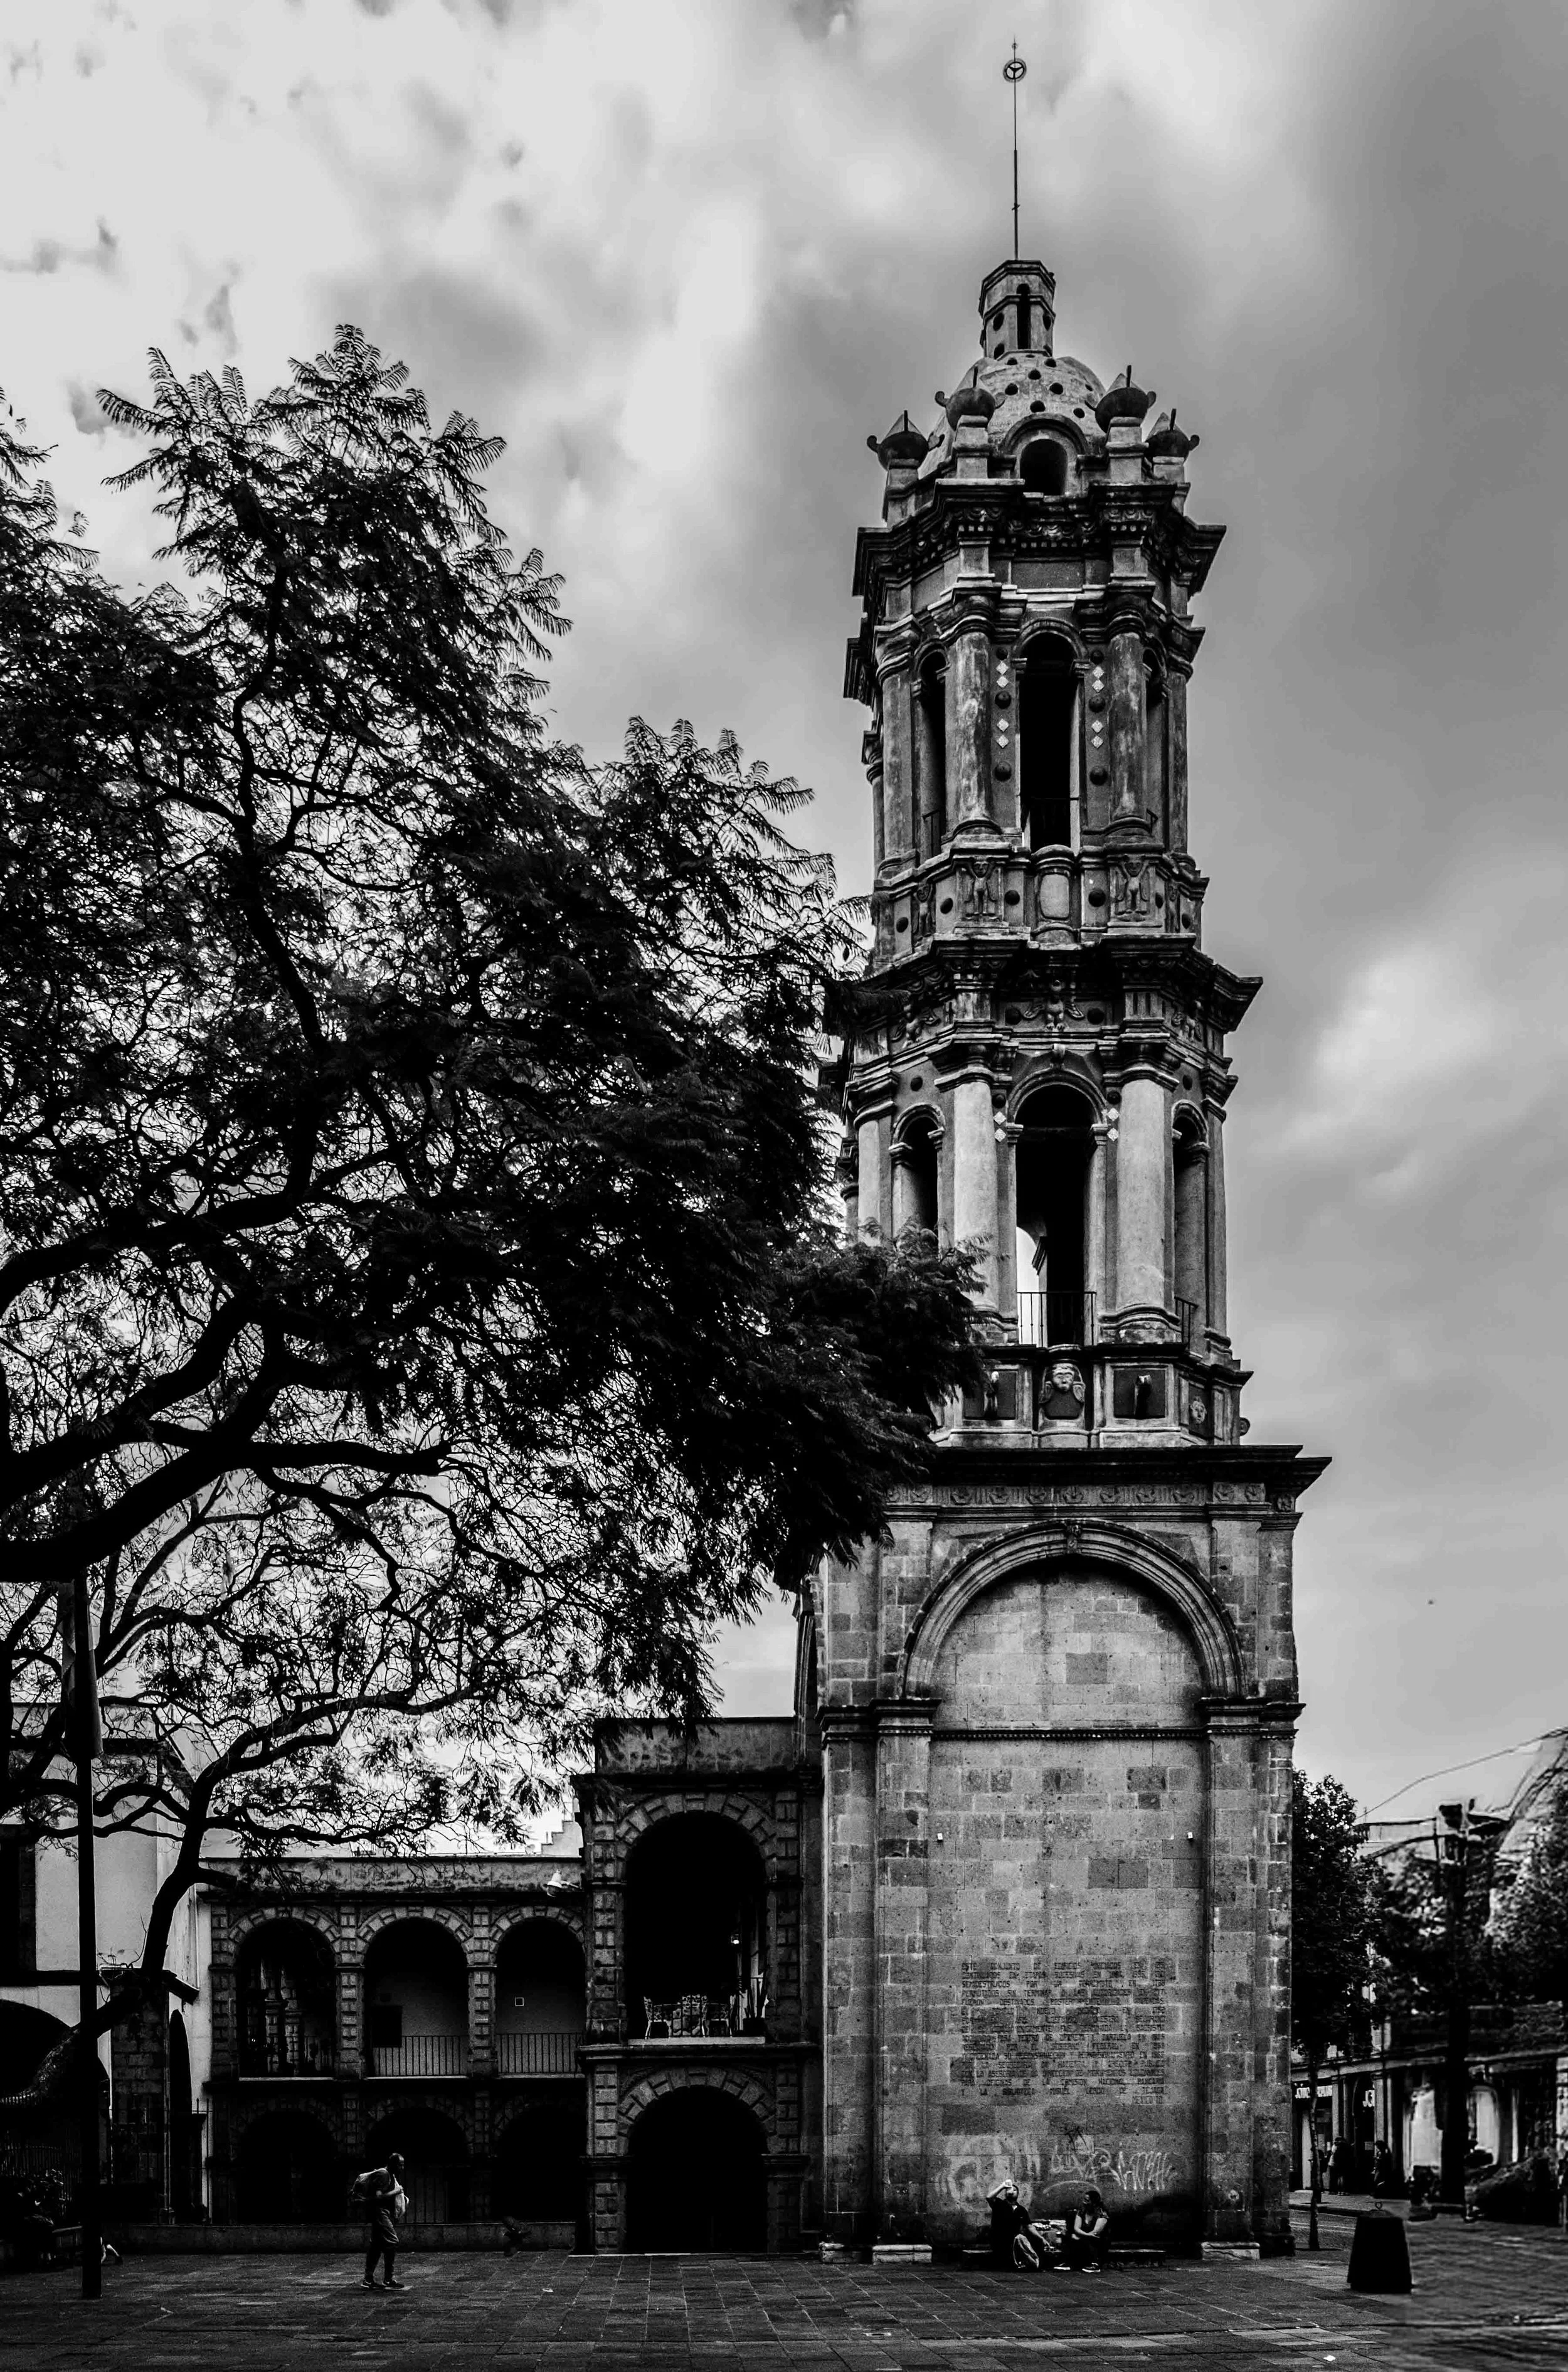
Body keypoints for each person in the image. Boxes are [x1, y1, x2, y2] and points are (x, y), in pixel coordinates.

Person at [352, 2152, 408, 2289]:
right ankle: (388, 2279)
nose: (402, 2168)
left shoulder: (390, 2175)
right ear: (393, 2164)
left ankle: (368, 2279)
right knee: (392, 2241)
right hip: (379, 2213)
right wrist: (396, 2191)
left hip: (383, 2213)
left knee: (376, 2246)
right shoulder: (384, 2175)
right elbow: (378, 2197)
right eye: (400, 2165)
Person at [1054, 2187, 1111, 2274]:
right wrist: (1080, 2235)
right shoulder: (1082, 2211)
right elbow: (1077, 2228)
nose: (1084, 2202)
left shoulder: (1102, 2213)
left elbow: (1095, 2232)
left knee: (1092, 2240)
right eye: (1084, 2200)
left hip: (1098, 2239)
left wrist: (1082, 2237)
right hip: (1084, 2235)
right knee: (1067, 2235)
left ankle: (1095, 2264)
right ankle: (1068, 2263)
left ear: (1094, 2203)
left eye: (1087, 2200)